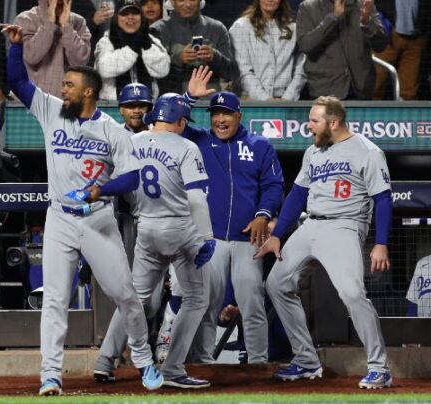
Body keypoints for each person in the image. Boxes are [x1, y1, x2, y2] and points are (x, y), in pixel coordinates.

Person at [1, 23, 163, 396]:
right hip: (58, 217)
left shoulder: (112, 131)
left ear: (87, 92)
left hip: (97, 219)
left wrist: (100, 189)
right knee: (54, 299)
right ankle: (51, 375)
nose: (62, 89)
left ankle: (143, 359)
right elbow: (18, 83)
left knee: (125, 295)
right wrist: (15, 47)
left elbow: (133, 178)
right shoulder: (52, 110)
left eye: (69, 85)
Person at [255, 96, 393, 388]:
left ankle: (379, 366)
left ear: (334, 122)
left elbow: (382, 199)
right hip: (310, 224)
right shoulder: (312, 153)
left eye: (314, 121)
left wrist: (381, 242)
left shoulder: (367, 152)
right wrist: (278, 234)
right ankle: (306, 360)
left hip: (344, 225)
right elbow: (297, 195)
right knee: (276, 284)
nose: (309, 127)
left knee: (352, 293)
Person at [94, 73, 217, 389]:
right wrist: (206, 237)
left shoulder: (130, 142)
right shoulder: (186, 145)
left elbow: (110, 182)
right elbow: (196, 198)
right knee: (196, 298)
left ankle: (105, 360)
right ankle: (173, 368)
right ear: (178, 121)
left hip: (143, 227)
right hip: (178, 228)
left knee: (132, 298)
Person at [180, 90, 284, 364]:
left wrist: (263, 214)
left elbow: (273, 185)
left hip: (247, 239)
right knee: (206, 303)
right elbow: (174, 122)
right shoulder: (197, 140)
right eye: (216, 113)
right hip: (209, 238)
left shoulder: (259, 145)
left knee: (252, 303)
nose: (221, 119)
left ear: (239, 115)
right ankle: (203, 363)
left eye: (227, 113)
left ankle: (259, 361)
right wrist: (189, 97)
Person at [296, 0, 388, 100]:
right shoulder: (308, 7)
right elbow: (305, 45)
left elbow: (381, 45)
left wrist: (367, 22)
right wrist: (333, 17)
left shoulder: (363, 4)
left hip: (361, 90)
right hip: (325, 92)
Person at [150, 0, 233, 94]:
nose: (187, 4)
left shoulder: (217, 29)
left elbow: (229, 73)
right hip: (172, 101)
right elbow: (152, 73)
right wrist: (178, 59)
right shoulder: (158, 30)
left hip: (208, 102)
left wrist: (214, 57)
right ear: (172, 2)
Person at [229, 0, 306, 100]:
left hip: (285, 101)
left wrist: (287, 98)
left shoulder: (293, 28)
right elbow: (244, 71)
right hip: (252, 101)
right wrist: (266, 100)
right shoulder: (241, 27)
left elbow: (301, 69)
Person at [94, 0, 170, 101]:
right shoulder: (106, 41)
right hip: (114, 106)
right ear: (116, 18)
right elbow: (104, 69)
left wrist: (147, 46)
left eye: (135, 13)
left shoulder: (151, 40)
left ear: (141, 17)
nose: (130, 17)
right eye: (125, 14)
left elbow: (163, 70)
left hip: (147, 104)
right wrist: (132, 49)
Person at [15, 0, 91, 97]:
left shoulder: (79, 22)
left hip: (66, 102)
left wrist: (67, 27)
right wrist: (49, 23)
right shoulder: (26, 19)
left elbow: (80, 63)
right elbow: (31, 56)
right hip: (32, 101)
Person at [373, 0, 429, 100]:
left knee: (409, 93)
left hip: (417, 36)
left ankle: (406, 115)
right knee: (376, 86)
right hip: (388, 33)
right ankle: (370, 114)